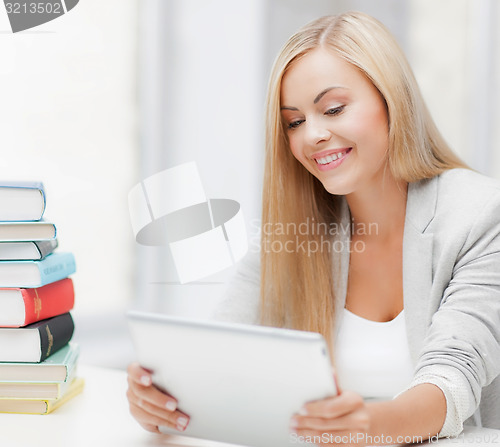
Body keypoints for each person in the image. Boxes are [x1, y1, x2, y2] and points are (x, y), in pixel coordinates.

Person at [127, 11, 500, 445]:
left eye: (334, 108)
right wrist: (162, 398)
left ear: (391, 100)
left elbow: (455, 375)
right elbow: (220, 352)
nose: (313, 135)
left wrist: (369, 427)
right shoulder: (292, 231)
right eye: (295, 121)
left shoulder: (480, 214)